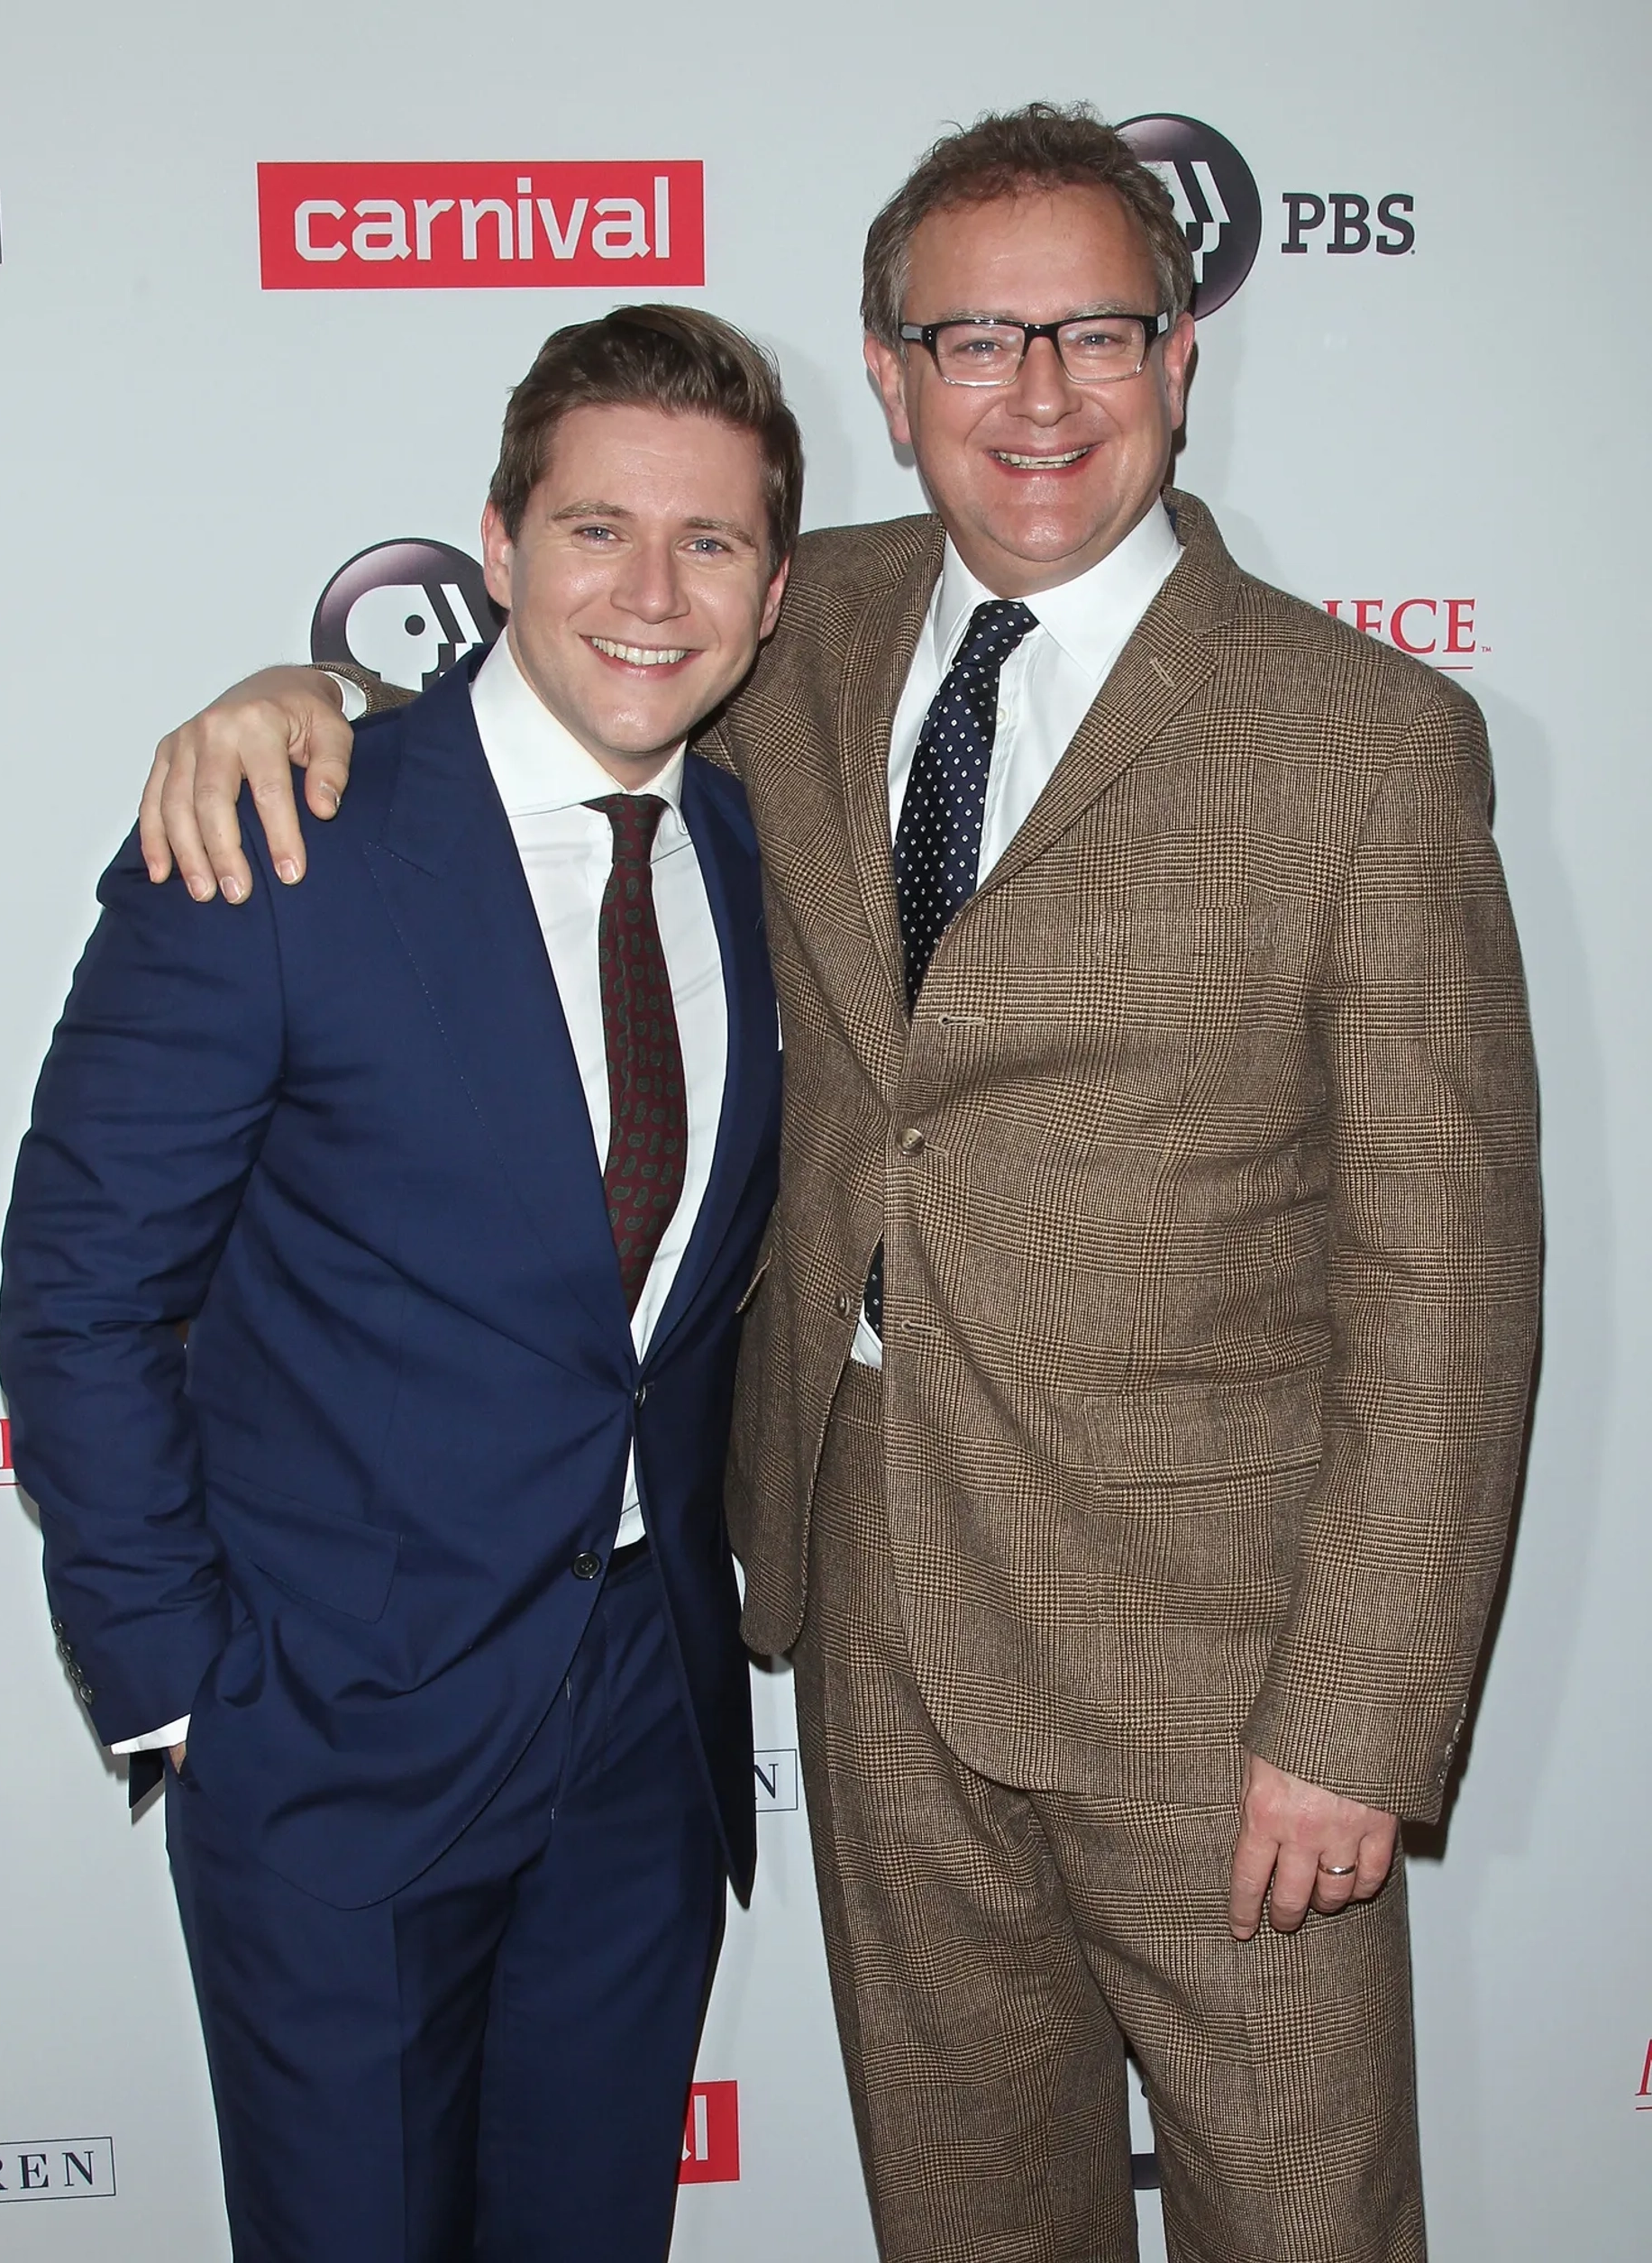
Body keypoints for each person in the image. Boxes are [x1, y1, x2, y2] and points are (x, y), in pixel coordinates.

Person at [130, 104, 1541, 2263]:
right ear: (888, 376)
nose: (1038, 396)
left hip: (1229, 1691)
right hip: (865, 1635)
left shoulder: (1366, 742)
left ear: (1183, 352)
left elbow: (1449, 1274)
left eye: (1095, 331)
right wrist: (296, 695)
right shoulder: (803, 630)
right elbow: (570, 666)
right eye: (974, 339)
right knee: (967, 2224)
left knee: (1304, 2226)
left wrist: (1355, 1723)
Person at [0, 305, 795, 2263]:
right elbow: (81, 1290)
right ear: (499, 543)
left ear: (776, 592)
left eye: (710, 544)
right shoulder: (281, 834)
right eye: (597, 530)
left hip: (640, 1739)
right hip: (327, 1734)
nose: (650, 590)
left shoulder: (758, 844)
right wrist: (182, 1692)